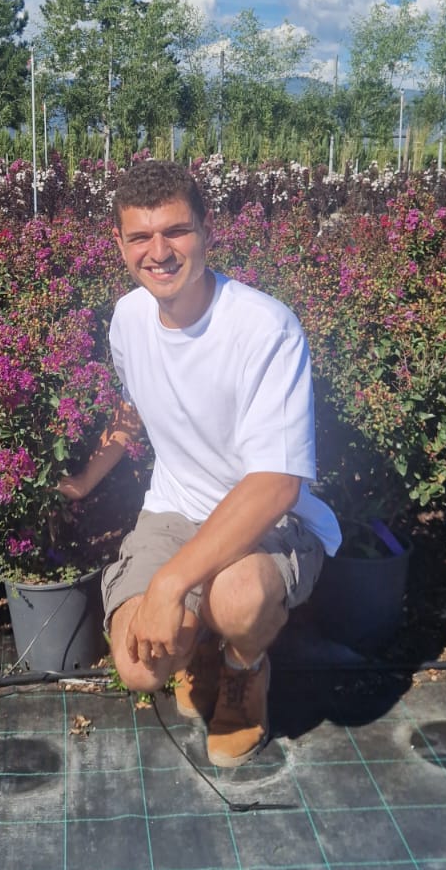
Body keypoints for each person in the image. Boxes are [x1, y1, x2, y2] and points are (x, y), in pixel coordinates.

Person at [60, 160, 340, 767]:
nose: (157, 252)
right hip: (175, 509)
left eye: (175, 232)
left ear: (208, 230)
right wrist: (86, 478)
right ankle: (203, 647)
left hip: (265, 520)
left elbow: (277, 484)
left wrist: (170, 583)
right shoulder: (129, 317)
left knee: (236, 599)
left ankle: (244, 670)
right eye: (140, 237)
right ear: (120, 243)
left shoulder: (264, 327)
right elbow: (133, 406)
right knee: (138, 665)